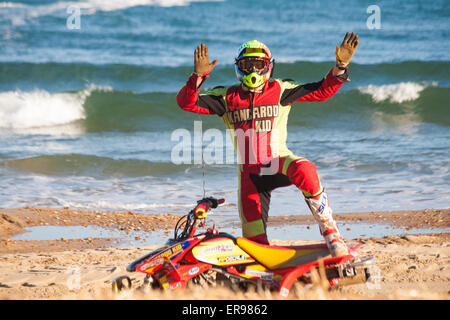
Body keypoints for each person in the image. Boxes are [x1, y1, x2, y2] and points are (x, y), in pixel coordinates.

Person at [177, 33, 359, 257]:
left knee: (306, 170)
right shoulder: (226, 98)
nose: (253, 71)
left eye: (258, 65)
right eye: (247, 65)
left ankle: (330, 231)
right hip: (250, 178)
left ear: (269, 67)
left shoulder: (281, 89)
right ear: (238, 68)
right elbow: (186, 103)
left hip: (277, 163)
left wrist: (341, 66)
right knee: (256, 248)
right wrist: (198, 76)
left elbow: (322, 91)